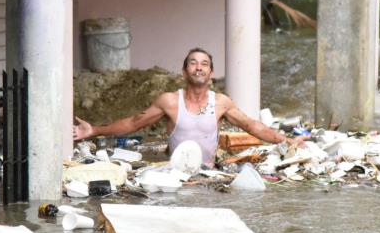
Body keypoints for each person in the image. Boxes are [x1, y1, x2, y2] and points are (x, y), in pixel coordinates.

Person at [72, 47, 305, 166]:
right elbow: (133, 123)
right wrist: (94, 131)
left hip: (209, 173)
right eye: (193, 63)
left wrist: (286, 141)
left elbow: (251, 125)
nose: (199, 67)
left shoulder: (221, 102)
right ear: (184, 71)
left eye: (204, 64)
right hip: (176, 174)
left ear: (211, 73)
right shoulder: (170, 101)